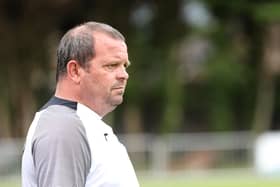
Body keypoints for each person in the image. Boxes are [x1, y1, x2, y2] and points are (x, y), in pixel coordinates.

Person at [21, 21, 139, 187]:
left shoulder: (82, 121)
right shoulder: (62, 127)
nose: (124, 75)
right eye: (112, 65)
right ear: (75, 71)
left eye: (124, 65)